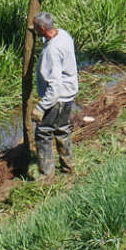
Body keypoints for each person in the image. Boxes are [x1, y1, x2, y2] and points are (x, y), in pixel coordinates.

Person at [32, 11, 78, 178]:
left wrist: (41, 107)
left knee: (43, 133)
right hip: (69, 94)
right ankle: (68, 168)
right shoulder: (64, 35)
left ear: (43, 28)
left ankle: (47, 176)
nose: (34, 30)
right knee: (62, 130)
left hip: (56, 98)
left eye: (36, 28)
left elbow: (55, 86)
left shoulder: (51, 51)